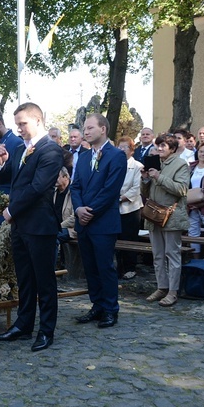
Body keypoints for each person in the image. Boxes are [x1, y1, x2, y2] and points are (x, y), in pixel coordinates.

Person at [0, 102, 64, 351]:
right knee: (24, 278)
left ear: (38, 121)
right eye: (17, 124)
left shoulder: (51, 150)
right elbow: (10, 178)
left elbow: (38, 187)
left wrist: (11, 210)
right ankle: (23, 325)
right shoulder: (25, 149)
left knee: (44, 280)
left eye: (23, 123)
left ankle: (46, 330)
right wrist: (1, 164)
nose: (19, 129)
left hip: (40, 224)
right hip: (22, 225)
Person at [71, 114, 127, 326]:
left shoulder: (116, 156)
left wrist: (89, 211)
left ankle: (111, 309)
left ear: (103, 129)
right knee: (90, 267)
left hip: (102, 222)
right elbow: (75, 186)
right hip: (83, 221)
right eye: (85, 128)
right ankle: (97, 305)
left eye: (90, 127)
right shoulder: (84, 157)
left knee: (105, 267)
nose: (86, 132)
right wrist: (78, 209)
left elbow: (110, 190)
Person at [141, 135, 190, 307]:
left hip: (172, 216)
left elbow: (182, 189)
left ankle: (173, 291)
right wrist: (146, 179)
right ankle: (162, 287)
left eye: (163, 146)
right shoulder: (156, 163)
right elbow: (146, 193)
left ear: (173, 148)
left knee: (172, 254)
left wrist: (159, 177)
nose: (159, 148)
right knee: (158, 255)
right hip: (154, 215)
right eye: (158, 145)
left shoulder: (181, 164)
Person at [116, 136, 144, 279]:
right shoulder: (114, 164)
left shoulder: (137, 166)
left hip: (131, 208)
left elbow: (135, 189)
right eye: (119, 147)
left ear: (132, 151)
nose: (121, 150)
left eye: (124, 147)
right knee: (116, 237)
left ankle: (130, 267)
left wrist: (120, 198)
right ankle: (118, 267)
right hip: (115, 208)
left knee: (129, 237)